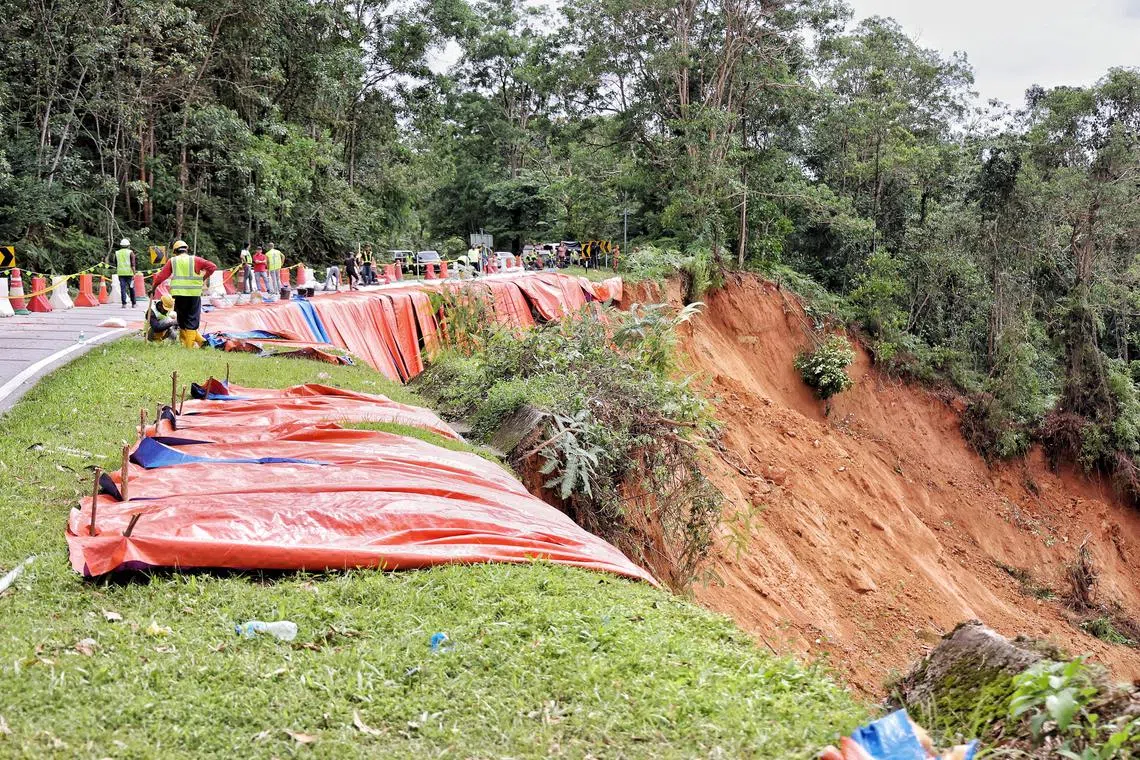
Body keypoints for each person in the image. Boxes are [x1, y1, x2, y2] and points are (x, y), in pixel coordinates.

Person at [151, 240, 216, 349]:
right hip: (193, 295)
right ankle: (189, 348)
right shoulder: (195, 259)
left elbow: (161, 276)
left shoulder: (173, 261)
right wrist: (203, 277)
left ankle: (193, 343)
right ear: (186, 249)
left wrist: (153, 287)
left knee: (183, 319)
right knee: (192, 320)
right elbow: (212, 267)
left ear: (175, 251)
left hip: (179, 295)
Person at [109, 238, 137, 308]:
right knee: (131, 288)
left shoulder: (117, 253)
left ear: (121, 245)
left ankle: (124, 304)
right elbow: (133, 264)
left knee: (122, 289)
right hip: (129, 274)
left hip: (121, 273)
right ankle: (133, 304)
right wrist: (134, 273)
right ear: (128, 245)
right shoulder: (130, 252)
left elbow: (116, 263)